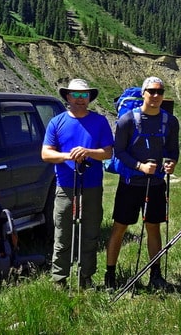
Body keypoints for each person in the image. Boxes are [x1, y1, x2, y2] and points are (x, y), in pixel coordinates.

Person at [104, 76, 179, 291]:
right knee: (120, 227)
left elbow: (173, 150)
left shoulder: (170, 121)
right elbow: (119, 151)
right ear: (143, 93)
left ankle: (156, 275)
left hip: (155, 184)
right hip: (130, 182)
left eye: (160, 92)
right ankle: (110, 275)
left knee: (153, 227)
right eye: (151, 91)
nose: (156, 96)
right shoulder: (127, 120)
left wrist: (171, 164)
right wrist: (140, 166)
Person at [42, 79, 114, 289]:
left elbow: (108, 152)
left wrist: (88, 152)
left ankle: (86, 276)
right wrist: (68, 156)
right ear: (68, 97)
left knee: (90, 232)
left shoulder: (100, 122)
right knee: (63, 232)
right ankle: (59, 278)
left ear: (89, 98)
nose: (81, 99)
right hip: (65, 185)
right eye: (76, 95)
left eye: (85, 95)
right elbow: (45, 153)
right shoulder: (57, 122)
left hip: (92, 185)